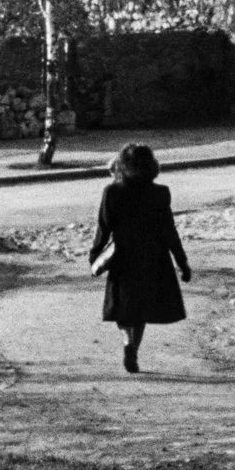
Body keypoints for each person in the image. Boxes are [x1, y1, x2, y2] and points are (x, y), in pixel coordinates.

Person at [87, 143, 191, 373]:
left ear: (122, 165)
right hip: (154, 256)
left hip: (123, 255)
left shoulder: (112, 192)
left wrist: (95, 255)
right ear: (151, 165)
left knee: (124, 307)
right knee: (142, 308)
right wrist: (182, 262)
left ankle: (127, 343)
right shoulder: (160, 192)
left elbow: (103, 228)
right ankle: (134, 348)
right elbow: (169, 230)